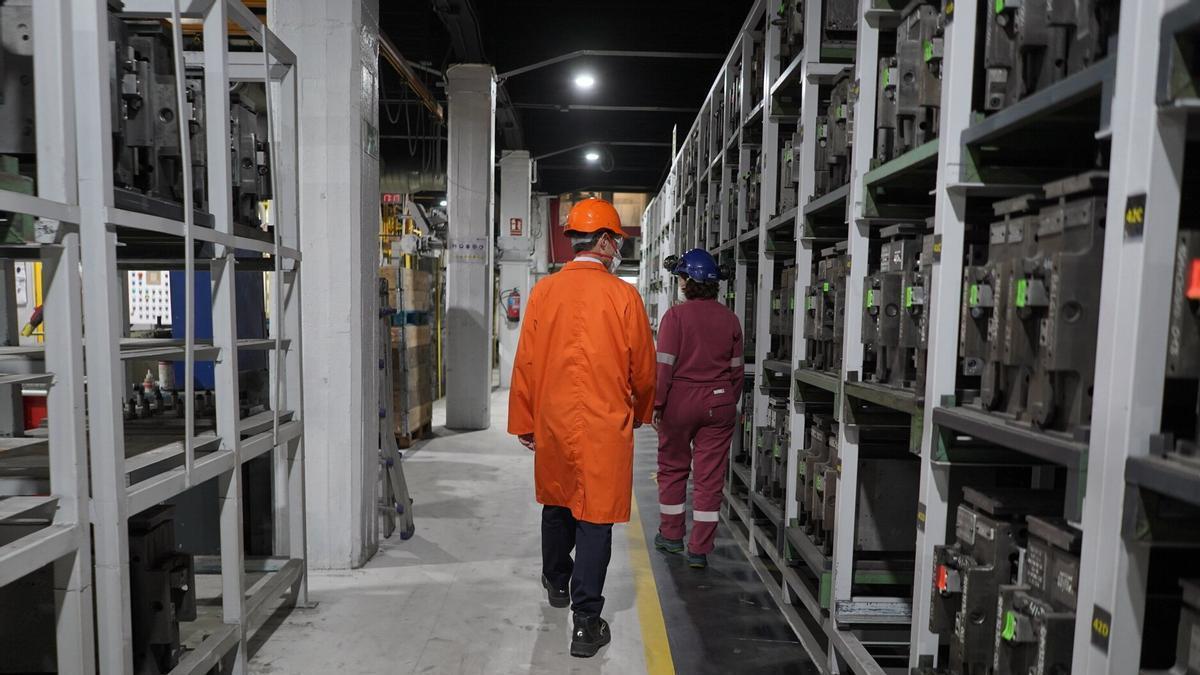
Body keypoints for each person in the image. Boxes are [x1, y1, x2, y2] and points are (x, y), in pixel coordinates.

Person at [508, 197, 656, 658]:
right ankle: (586, 623)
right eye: (617, 242)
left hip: (553, 418)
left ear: (575, 240)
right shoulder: (623, 296)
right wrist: (642, 411)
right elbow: (644, 371)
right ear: (608, 241)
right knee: (594, 518)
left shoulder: (544, 292)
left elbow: (526, 362)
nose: (617, 250)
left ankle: (556, 582)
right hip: (603, 424)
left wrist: (525, 420)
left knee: (556, 500)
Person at [652, 248, 743, 569]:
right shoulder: (730, 318)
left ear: (687, 281)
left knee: (674, 469)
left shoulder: (675, 317)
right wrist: (726, 401)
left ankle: (672, 536)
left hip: (680, 400)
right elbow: (736, 371)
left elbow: (664, 367)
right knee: (709, 477)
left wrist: (657, 405)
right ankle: (700, 549)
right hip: (719, 401)